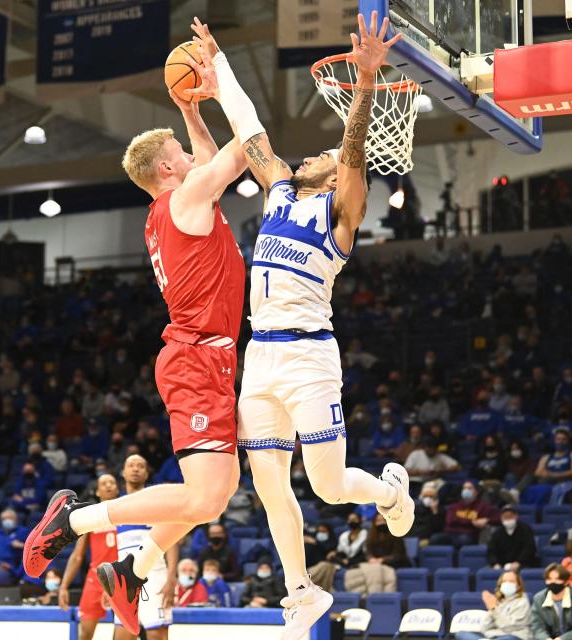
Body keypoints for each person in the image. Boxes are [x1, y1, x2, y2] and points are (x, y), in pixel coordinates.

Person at [23, 24, 250, 639]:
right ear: (167, 166)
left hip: (204, 356)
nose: (188, 150)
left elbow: (207, 159)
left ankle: (130, 565)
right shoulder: (186, 197)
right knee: (204, 498)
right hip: (199, 358)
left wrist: (187, 109)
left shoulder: (170, 207)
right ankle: (76, 520)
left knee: (218, 494)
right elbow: (248, 148)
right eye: (180, 145)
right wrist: (219, 78)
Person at [192, 14, 413, 639]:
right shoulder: (280, 190)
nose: (311, 155)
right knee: (269, 487)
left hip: (311, 358)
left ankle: (392, 494)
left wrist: (365, 83)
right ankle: (300, 591)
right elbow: (248, 127)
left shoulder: (341, 211)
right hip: (259, 356)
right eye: (310, 153)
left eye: (321, 155)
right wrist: (220, 67)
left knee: (331, 486)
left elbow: (350, 150)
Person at [112, 455, 180, 640]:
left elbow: (172, 543)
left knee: (156, 633)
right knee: (122, 634)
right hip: (124, 581)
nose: (135, 469)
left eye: (140, 466)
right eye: (131, 465)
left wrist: (171, 579)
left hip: (154, 577)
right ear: (123, 472)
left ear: (146, 473)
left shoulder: (156, 502)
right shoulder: (116, 506)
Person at [58, 473, 120, 640]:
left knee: (124, 633)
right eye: (104, 483)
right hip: (96, 578)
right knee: (84, 634)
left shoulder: (126, 513)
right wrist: (64, 586)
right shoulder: (90, 515)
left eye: (112, 482)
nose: (108, 485)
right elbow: (78, 556)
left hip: (122, 578)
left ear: (118, 488)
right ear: (98, 491)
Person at [344, 513, 408, 596]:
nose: (381, 523)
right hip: (373, 563)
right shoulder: (371, 535)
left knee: (376, 570)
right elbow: (368, 552)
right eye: (378, 521)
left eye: (383, 520)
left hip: (393, 564)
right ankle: (360, 598)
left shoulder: (396, 534)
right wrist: (371, 558)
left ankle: (374, 596)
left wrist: (382, 560)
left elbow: (397, 555)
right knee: (353, 573)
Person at [455, 570, 531, 640]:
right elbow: (484, 628)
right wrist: (491, 609)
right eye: (504, 581)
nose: (507, 584)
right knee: (460, 634)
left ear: (518, 586)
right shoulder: (499, 601)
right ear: (500, 585)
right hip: (494, 636)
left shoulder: (522, 601)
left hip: (514, 636)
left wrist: (494, 609)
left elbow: (510, 627)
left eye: (511, 581)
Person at [530, 564, 572, 640]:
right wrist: (545, 639)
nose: (552, 582)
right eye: (549, 579)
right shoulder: (538, 599)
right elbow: (537, 628)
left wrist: (562, 639)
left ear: (566, 582)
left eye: (557, 579)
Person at [432, 481, 499, 546]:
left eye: (469, 488)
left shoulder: (484, 507)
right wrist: (471, 522)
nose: (466, 490)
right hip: (450, 533)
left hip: (469, 535)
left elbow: (499, 518)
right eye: (464, 488)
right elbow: (450, 521)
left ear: (476, 492)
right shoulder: (454, 506)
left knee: (463, 539)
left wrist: (487, 520)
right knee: (435, 538)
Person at [487, 506, 538, 570]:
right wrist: (495, 563)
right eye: (505, 517)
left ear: (516, 516)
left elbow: (529, 548)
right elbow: (491, 551)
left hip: (524, 564)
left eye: (510, 516)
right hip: (502, 566)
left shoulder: (525, 529)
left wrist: (519, 562)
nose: (508, 519)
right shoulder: (497, 533)